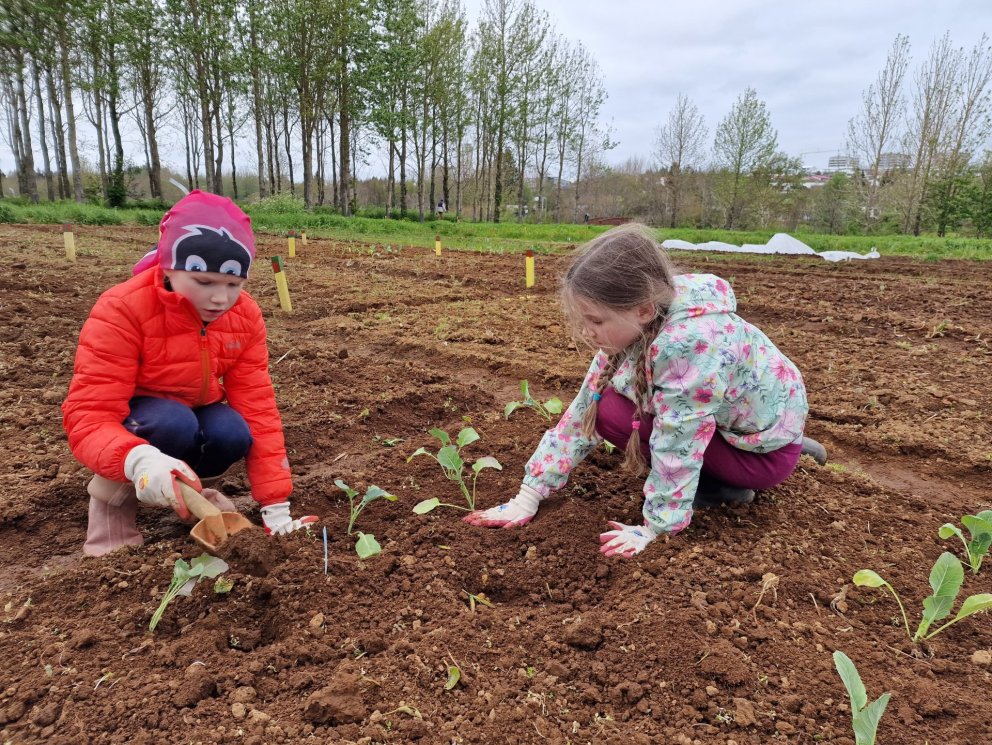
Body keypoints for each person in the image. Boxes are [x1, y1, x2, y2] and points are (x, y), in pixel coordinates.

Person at [464, 223, 827, 558]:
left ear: (643, 310)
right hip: (751, 424)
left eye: (596, 320)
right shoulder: (647, 313)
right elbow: (582, 410)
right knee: (604, 406)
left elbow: (678, 439)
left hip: (761, 455)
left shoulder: (690, 344)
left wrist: (656, 527)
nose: (587, 332)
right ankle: (769, 445)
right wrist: (528, 495)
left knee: (631, 417)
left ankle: (730, 482)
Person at [62, 190, 317, 557]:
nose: (220, 299)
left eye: (233, 284)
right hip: (140, 419)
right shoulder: (122, 309)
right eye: (204, 282)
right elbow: (90, 415)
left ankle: (194, 499)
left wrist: (276, 509)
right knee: (173, 423)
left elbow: (258, 409)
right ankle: (112, 510)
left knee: (231, 430)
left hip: (196, 407)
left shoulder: (244, 317)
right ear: (168, 267)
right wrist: (138, 459)